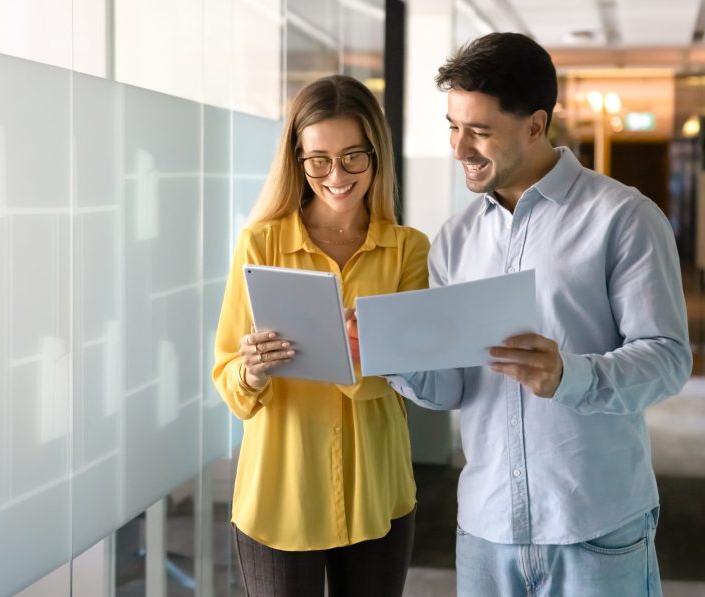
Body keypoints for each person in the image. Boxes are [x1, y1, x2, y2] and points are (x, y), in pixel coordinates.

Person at [383, 32, 691, 596]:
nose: (459, 149)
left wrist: (569, 375)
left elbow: (668, 359)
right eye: (453, 126)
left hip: (593, 525)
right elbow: (451, 387)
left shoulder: (622, 218)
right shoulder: (454, 240)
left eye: (479, 131)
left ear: (535, 124)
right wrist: (391, 355)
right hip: (485, 530)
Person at [212, 74, 429, 597]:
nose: (337, 175)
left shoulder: (407, 250)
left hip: (376, 490)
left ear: (377, 154)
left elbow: (415, 374)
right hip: (280, 495)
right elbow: (228, 376)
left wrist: (355, 353)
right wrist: (251, 370)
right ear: (298, 160)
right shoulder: (260, 244)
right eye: (319, 160)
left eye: (354, 156)